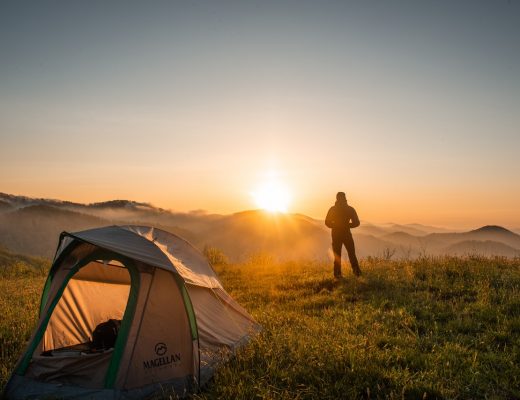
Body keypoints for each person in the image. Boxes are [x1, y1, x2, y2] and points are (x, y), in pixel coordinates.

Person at [325, 192, 361, 278]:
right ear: (345, 198)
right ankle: (357, 274)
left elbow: (327, 222)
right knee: (351, 254)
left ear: (337, 198)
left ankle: (337, 275)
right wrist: (347, 225)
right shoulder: (350, 209)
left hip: (336, 234)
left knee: (337, 255)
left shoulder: (332, 209)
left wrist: (336, 225)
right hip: (346, 234)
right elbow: (357, 223)